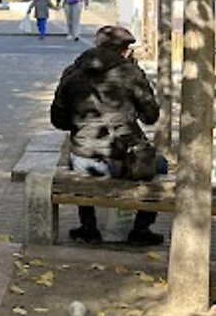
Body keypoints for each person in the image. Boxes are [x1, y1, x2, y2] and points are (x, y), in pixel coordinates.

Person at [49, 24, 167, 245]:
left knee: (78, 160)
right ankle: (141, 229)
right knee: (160, 165)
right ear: (123, 50)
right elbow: (151, 116)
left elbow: (58, 121)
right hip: (125, 158)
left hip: (85, 159)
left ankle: (88, 228)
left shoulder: (72, 72)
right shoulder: (131, 73)